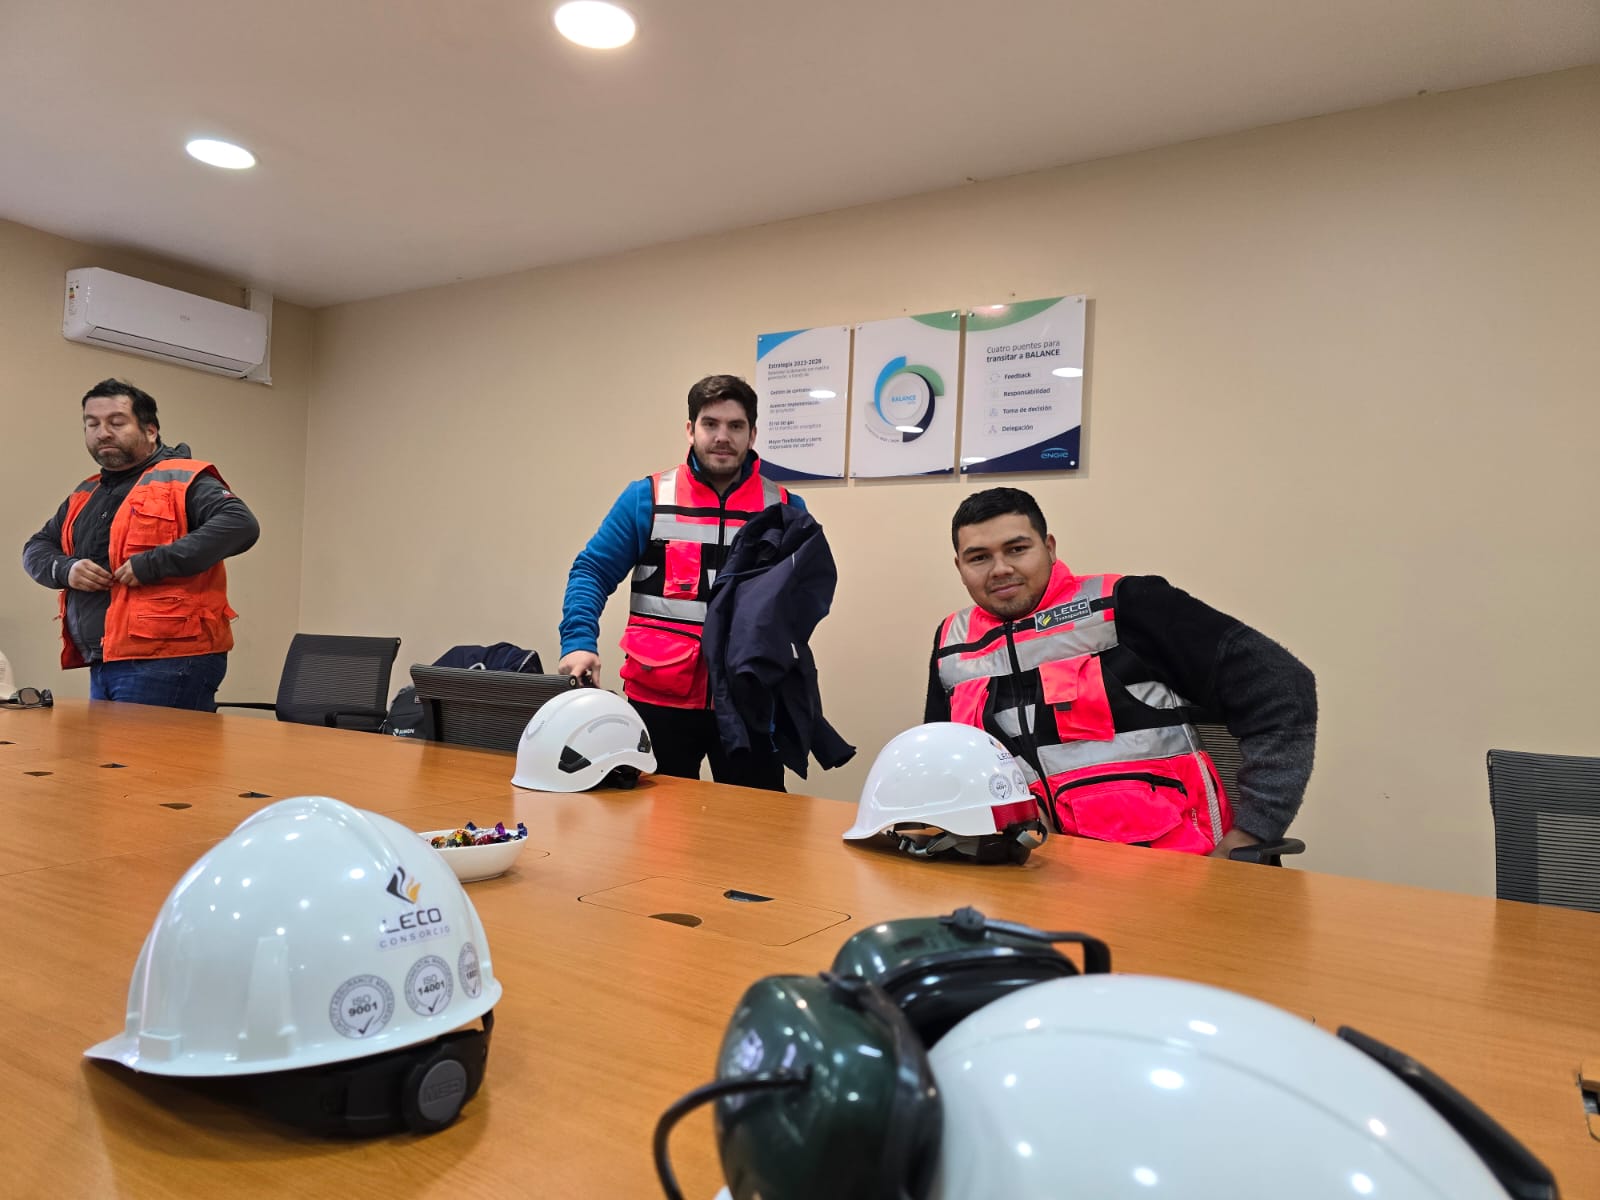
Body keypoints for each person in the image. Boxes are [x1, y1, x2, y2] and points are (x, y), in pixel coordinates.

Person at [926, 487, 1315, 857]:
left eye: (1017, 549)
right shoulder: (952, 644)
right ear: (960, 567)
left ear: (1049, 548)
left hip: (1172, 869)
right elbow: (943, 763)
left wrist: (1252, 831)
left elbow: (1283, 686)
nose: (1001, 569)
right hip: (1030, 870)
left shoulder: (1128, 606)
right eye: (979, 557)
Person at [558, 374, 807, 791]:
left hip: (749, 701)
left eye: (736, 425)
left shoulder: (784, 508)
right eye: (711, 424)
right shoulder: (647, 498)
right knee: (653, 823)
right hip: (659, 701)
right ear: (691, 430)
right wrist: (578, 642)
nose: (722, 436)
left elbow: (802, 598)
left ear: (752, 434)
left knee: (755, 821)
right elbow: (591, 572)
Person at [22, 378, 259, 711]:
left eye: (116, 422)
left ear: (150, 431)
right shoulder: (86, 493)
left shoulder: (182, 478)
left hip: (170, 659)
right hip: (105, 658)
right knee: (110, 749)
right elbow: (36, 547)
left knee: (149, 749)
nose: (103, 433)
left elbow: (239, 525)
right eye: (92, 424)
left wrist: (153, 563)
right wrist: (66, 568)